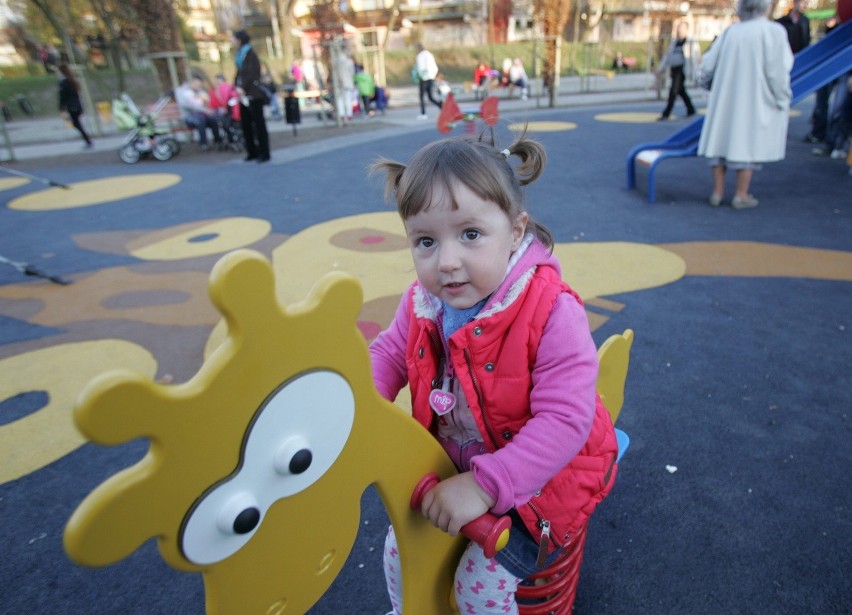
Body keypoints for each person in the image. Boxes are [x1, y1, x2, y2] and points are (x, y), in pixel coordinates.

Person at [369, 132, 619, 614]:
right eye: (425, 240)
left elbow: (567, 420)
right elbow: (388, 354)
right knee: (401, 552)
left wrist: (486, 485)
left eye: (470, 234)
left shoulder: (549, 309)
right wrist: (357, 404)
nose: (447, 262)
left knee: (476, 588)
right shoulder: (423, 304)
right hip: (461, 469)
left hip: (545, 480)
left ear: (516, 230)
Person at [697, 0, 793, 209]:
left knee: (720, 140)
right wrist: (782, 98)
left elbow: (708, 65)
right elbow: (777, 72)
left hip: (726, 96)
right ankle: (741, 193)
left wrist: (706, 83)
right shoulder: (772, 32)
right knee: (746, 143)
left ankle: (718, 191)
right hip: (753, 96)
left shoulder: (731, 32)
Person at [233, 29, 270, 163]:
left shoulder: (250, 55)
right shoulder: (240, 55)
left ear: (239, 40)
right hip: (243, 95)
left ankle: (264, 152)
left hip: (253, 95)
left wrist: (242, 88)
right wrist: (236, 87)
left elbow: (251, 74)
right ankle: (252, 151)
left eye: (234, 38)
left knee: (258, 124)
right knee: (246, 124)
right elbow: (239, 73)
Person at [655, 22, 697, 121]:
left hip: (681, 70)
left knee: (673, 91)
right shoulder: (674, 43)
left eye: (681, 28)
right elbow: (667, 56)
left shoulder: (689, 42)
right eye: (678, 28)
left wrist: (695, 73)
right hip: (674, 70)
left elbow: (694, 58)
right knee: (681, 91)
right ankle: (691, 109)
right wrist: (660, 68)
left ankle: (666, 113)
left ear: (686, 30)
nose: (678, 31)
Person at [175, 76, 222, 151]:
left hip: (203, 114)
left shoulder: (200, 91)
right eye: (197, 84)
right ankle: (203, 144)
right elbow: (187, 105)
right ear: (192, 83)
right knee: (201, 120)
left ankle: (218, 141)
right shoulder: (182, 92)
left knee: (213, 119)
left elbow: (207, 101)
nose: (198, 86)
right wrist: (204, 110)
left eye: (199, 85)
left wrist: (208, 106)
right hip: (189, 116)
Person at [56, 63, 92, 149]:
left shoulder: (63, 83)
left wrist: (61, 108)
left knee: (76, 124)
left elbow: (63, 97)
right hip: (77, 106)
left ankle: (88, 140)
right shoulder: (71, 81)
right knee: (76, 123)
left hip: (72, 107)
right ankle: (87, 140)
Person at [414, 43, 442, 120]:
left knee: (422, 96)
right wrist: (433, 76)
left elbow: (421, 67)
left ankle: (423, 113)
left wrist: (420, 76)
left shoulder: (420, 56)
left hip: (424, 78)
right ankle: (441, 106)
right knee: (430, 96)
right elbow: (435, 67)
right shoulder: (429, 54)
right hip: (431, 77)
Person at [333, 49, 356, 124]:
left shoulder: (336, 61)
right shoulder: (349, 62)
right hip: (347, 82)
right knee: (348, 99)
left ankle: (341, 114)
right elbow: (352, 73)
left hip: (338, 83)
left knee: (340, 99)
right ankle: (349, 114)